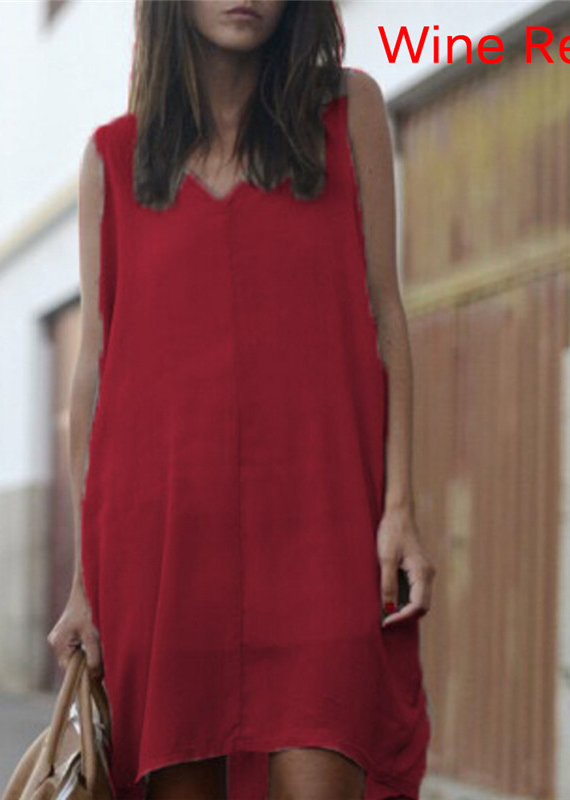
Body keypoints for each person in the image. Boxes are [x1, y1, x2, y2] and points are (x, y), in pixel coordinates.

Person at [48, 1, 437, 798]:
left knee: (325, 760)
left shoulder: (349, 112)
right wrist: (85, 580)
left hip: (322, 527)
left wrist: (399, 505)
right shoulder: (113, 159)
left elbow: (385, 313)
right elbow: (94, 370)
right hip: (164, 545)